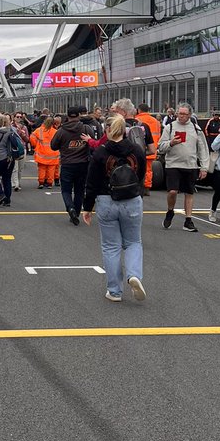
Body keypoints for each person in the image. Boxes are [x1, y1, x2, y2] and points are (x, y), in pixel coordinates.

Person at [82, 114, 147, 302]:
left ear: (108, 130)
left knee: (111, 247)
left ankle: (115, 291)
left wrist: (87, 207)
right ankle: (134, 274)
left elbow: (91, 182)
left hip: (106, 200)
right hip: (131, 200)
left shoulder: (101, 152)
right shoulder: (136, 150)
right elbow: (141, 174)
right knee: (134, 242)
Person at [157, 102, 209, 231]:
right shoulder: (170, 127)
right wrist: (171, 143)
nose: (181, 116)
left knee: (189, 193)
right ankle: (170, 211)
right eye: (179, 113)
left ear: (190, 115)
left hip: (190, 165)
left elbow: (203, 149)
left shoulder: (196, 129)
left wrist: (204, 167)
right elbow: (160, 147)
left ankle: (188, 220)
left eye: (184, 114)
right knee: (173, 191)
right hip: (173, 164)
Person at [51, 106, 91, 224]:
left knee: (66, 190)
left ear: (67, 116)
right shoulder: (86, 128)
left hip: (68, 164)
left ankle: (70, 208)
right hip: (83, 163)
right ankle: (76, 212)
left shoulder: (62, 131)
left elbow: (53, 146)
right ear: (79, 115)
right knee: (79, 190)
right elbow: (93, 142)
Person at [134, 103, 161, 188]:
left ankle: (138, 185)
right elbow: (159, 134)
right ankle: (147, 186)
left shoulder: (137, 120)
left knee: (137, 167)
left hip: (139, 147)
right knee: (148, 169)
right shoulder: (155, 121)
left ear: (139, 110)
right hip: (152, 148)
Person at [30, 114, 60, 188]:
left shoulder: (39, 130)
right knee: (51, 169)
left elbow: (32, 138)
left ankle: (41, 182)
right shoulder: (55, 132)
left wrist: (35, 145)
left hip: (41, 153)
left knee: (42, 169)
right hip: (53, 154)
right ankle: (50, 183)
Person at [10, 112, 30, 191]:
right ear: (14, 117)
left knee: (20, 168)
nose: (19, 118)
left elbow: (27, 140)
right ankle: (15, 184)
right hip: (14, 148)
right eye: (17, 117)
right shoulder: (10, 127)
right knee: (15, 167)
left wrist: (23, 134)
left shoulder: (24, 127)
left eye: (20, 117)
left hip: (22, 148)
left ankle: (18, 181)